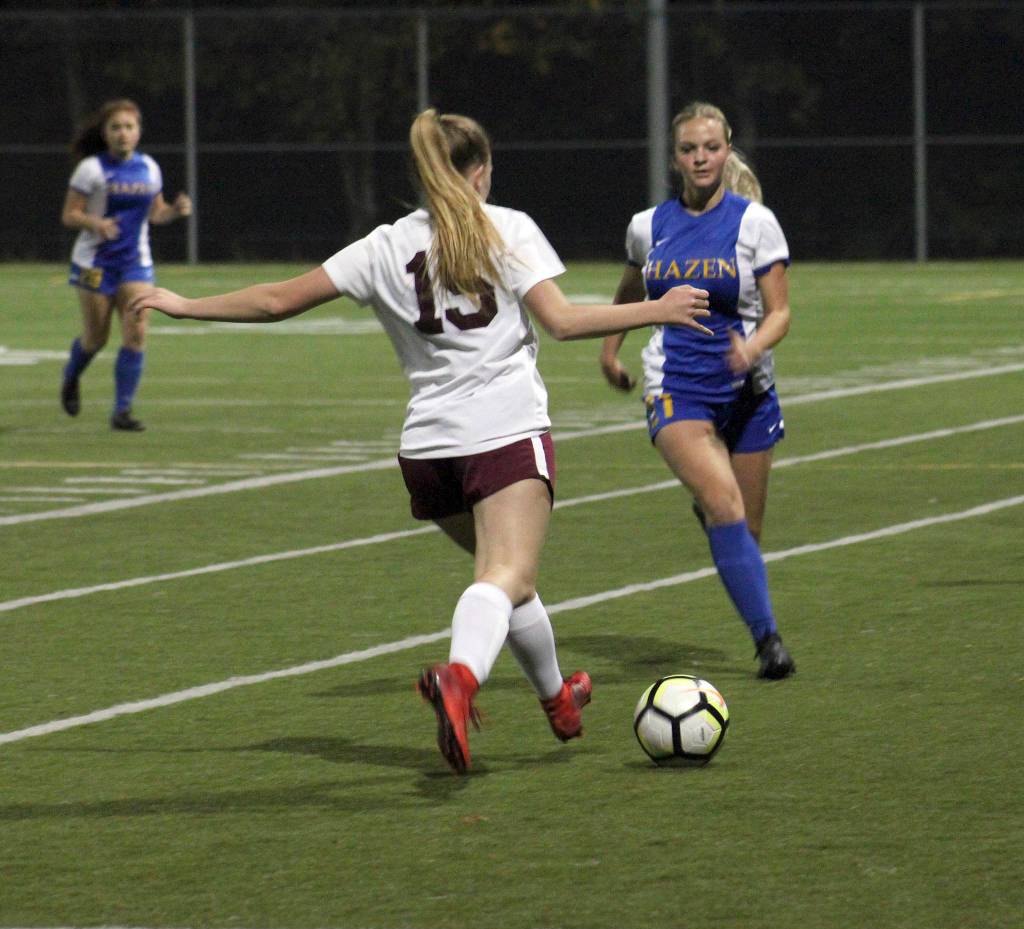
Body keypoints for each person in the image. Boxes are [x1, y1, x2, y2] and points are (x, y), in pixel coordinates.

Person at [131, 108, 711, 773]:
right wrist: (659, 309)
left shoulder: (383, 245)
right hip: (504, 432)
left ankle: (560, 702)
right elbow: (562, 320)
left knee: (507, 579)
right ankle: (460, 677)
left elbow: (274, 301)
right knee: (504, 573)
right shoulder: (507, 227)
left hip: (428, 451)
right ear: (480, 172)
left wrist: (183, 304)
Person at [599, 101, 795, 681]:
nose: (701, 157)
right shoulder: (648, 225)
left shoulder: (756, 222)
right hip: (676, 389)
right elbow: (632, 288)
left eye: (711, 147)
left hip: (749, 393)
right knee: (725, 505)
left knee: (745, 535)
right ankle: (770, 644)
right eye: (689, 149)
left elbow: (781, 312)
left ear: (726, 148)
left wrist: (752, 349)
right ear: (675, 156)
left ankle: (716, 520)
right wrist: (609, 350)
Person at [60, 98, 192, 432]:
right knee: (95, 339)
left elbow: (156, 213)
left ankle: (122, 411)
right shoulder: (91, 169)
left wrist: (175, 211)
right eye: (115, 127)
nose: (123, 133)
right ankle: (72, 375)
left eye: (129, 127)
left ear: (139, 131)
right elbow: (70, 215)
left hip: (135, 264)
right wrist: (96, 223)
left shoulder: (149, 167)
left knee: (136, 333)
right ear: (104, 133)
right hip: (94, 263)